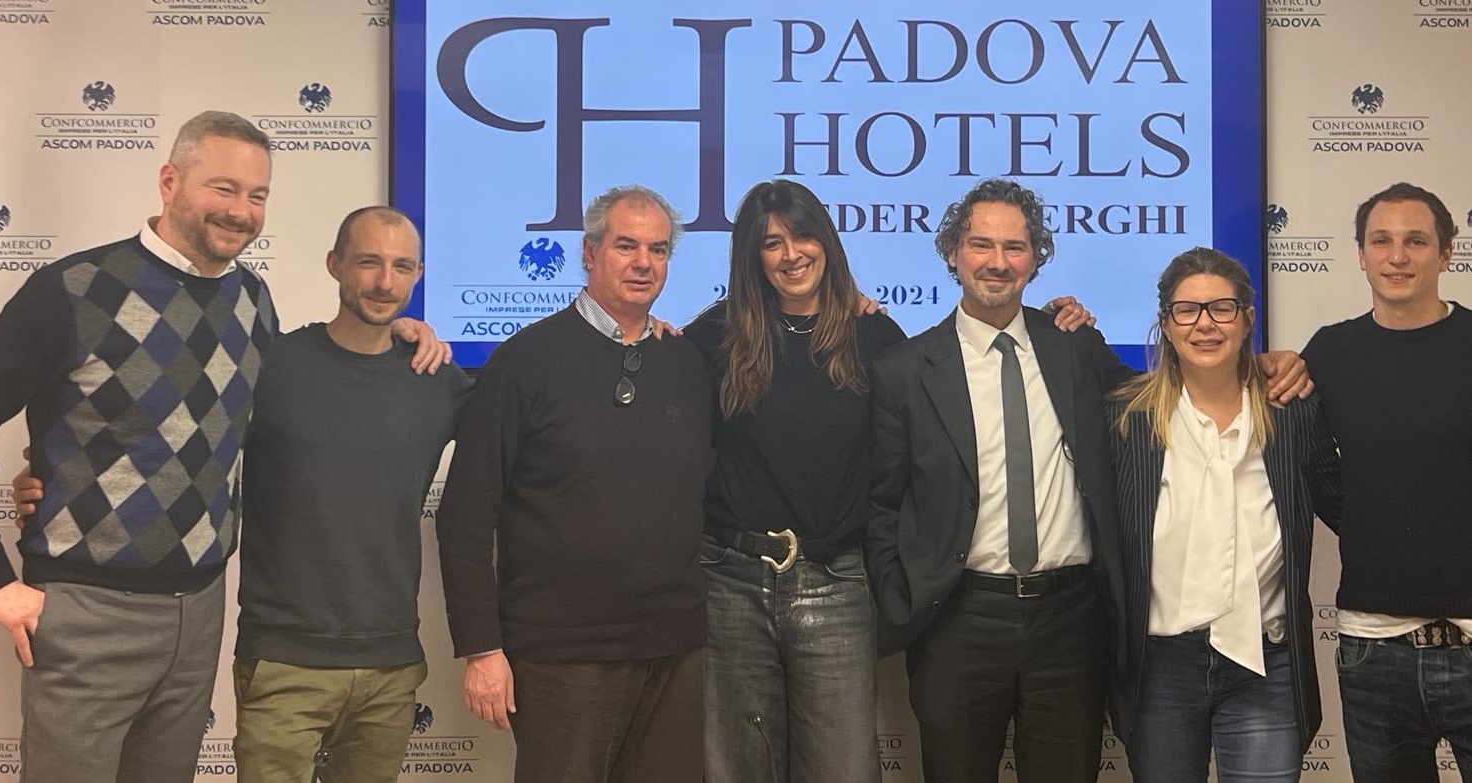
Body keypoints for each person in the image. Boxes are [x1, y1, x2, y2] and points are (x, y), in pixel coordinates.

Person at [0, 112, 443, 783]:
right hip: (88, 609)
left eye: (257, 195)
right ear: (169, 182)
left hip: (200, 610)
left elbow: (281, 404)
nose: (241, 210)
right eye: (223, 188)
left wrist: (400, 333)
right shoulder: (75, 288)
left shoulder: (253, 301)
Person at [865, 177, 1311, 783]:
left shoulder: (1074, 347)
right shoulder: (902, 370)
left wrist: (1268, 364)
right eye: (981, 244)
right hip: (958, 621)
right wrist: (905, 598)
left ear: (1036, 258)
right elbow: (883, 503)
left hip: (1070, 622)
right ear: (953, 253)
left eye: (1015, 247)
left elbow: (1175, 392)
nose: (998, 261)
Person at [436, 185, 713, 783]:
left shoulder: (686, 362)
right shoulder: (524, 361)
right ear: (590, 253)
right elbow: (465, 513)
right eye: (626, 246)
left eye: (658, 250)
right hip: (562, 655)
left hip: (676, 649)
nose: (643, 263)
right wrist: (482, 648)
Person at [230, 207, 471, 782]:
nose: (385, 282)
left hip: (391, 665)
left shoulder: (436, 379)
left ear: (418, 275)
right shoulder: (270, 364)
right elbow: (174, 442)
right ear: (335, 264)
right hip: (284, 659)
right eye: (368, 262)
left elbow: (533, 444)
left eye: (402, 266)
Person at [684, 180, 908, 783]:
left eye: (803, 236)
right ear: (751, 257)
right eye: (771, 243)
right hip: (730, 582)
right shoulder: (713, 338)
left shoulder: (876, 338)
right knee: (736, 767)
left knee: (843, 768)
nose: (791, 255)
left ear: (826, 242)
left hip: (837, 581)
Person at [1106, 247, 1339, 783]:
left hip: (1267, 663)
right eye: (1187, 310)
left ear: (1248, 318)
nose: (1205, 324)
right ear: (1166, 323)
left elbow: (1352, 508)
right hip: (1160, 666)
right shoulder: (1126, 418)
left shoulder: (1293, 411)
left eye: (1222, 308)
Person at [1302, 182, 1472, 783]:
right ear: (1360, 254)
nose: (1397, 256)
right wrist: (1373, 518)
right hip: (1373, 649)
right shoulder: (1330, 351)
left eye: (1416, 241)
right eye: (1381, 241)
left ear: (1446, 253)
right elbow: (1317, 467)